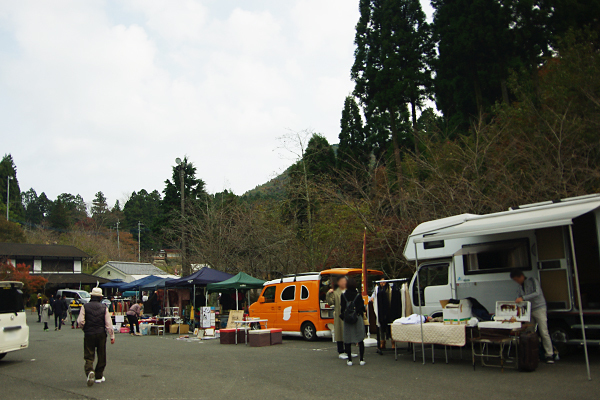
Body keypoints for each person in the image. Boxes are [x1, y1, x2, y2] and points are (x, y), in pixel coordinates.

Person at [510, 269, 554, 364]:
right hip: (528, 311)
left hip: (539, 308)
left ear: (521, 276)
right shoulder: (519, 288)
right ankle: (533, 354)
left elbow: (537, 293)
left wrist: (523, 298)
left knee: (544, 332)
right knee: (530, 332)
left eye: (517, 279)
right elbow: (518, 299)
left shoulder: (533, 281)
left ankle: (549, 354)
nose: (517, 281)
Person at [77, 287, 115, 386]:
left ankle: (90, 371)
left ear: (91, 296)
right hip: (101, 333)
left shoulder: (85, 306)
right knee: (101, 354)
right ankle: (99, 375)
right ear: (101, 297)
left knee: (89, 354)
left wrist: (84, 328)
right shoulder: (104, 307)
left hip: (89, 333)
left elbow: (80, 321)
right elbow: (108, 323)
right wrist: (112, 335)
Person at [339, 277, 366, 366]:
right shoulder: (358, 295)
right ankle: (361, 359)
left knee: (348, 339)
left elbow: (342, 309)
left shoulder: (343, 296)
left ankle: (349, 360)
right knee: (360, 338)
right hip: (357, 318)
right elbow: (362, 308)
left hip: (347, 320)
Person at [326, 276, 354, 359]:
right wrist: (328, 294)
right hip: (340, 315)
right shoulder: (335, 292)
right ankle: (341, 351)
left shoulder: (349, 291)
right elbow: (330, 302)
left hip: (348, 315)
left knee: (348, 333)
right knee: (340, 333)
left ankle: (348, 350)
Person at [369, 279, 394, 353]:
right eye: (381, 282)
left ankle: (393, 342)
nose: (382, 283)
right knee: (381, 327)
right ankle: (382, 342)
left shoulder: (390, 289)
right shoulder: (377, 289)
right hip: (381, 310)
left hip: (390, 310)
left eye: (384, 281)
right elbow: (372, 298)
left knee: (390, 327)